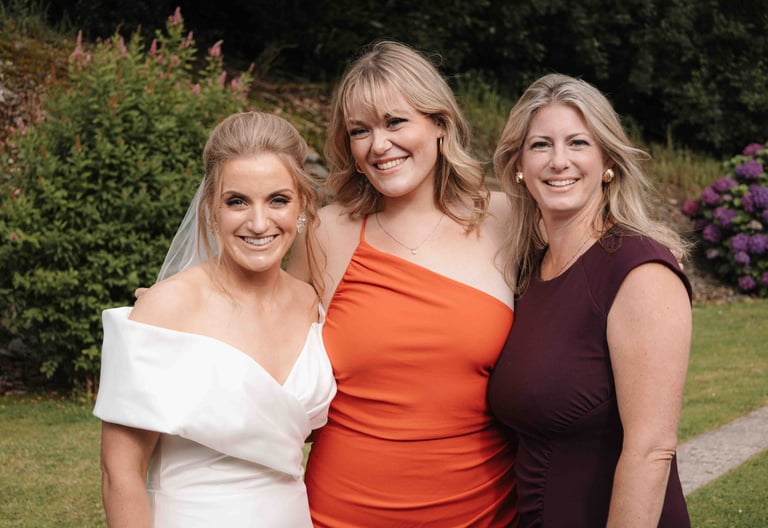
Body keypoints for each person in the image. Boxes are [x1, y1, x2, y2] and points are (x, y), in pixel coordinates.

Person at [287, 40, 518, 527]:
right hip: (339, 511)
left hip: (483, 512)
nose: (378, 145)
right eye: (360, 130)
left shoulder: (505, 218)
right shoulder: (323, 233)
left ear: (440, 124)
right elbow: (264, 339)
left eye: (395, 122)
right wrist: (176, 306)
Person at [93, 111, 336, 527]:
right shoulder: (165, 309)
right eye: (236, 201)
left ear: (302, 203)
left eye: (278, 200)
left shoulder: (311, 304)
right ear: (210, 209)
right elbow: (120, 474)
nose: (258, 223)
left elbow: (284, 431)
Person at [488, 73, 692, 527]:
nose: (559, 161)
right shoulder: (527, 271)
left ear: (607, 161)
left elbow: (651, 450)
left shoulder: (640, 271)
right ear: (519, 165)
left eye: (578, 143)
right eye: (541, 145)